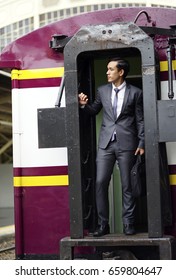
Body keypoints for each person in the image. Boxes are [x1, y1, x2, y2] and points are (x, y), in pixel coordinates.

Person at [78, 57, 144, 237]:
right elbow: (93, 111)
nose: (107, 72)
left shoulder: (136, 93)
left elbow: (140, 120)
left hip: (128, 144)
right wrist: (84, 106)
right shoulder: (102, 91)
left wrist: (142, 142)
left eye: (111, 69)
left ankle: (128, 223)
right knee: (100, 183)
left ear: (121, 72)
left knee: (127, 185)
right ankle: (103, 224)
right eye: (107, 69)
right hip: (106, 145)